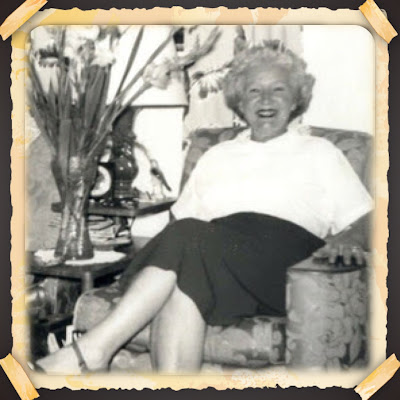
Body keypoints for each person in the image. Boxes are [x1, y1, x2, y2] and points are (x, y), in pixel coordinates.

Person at [34, 41, 372, 373]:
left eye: (278, 89)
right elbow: (179, 224)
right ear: (240, 101)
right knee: (183, 285)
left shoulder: (319, 152)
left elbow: (369, 219)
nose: (266, 100)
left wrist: (349, 241)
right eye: (254, 91)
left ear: (296, 98)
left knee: (189, 237)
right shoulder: (216, 154)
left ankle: (93, 350)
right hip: (220, 262)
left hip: (285, 264)